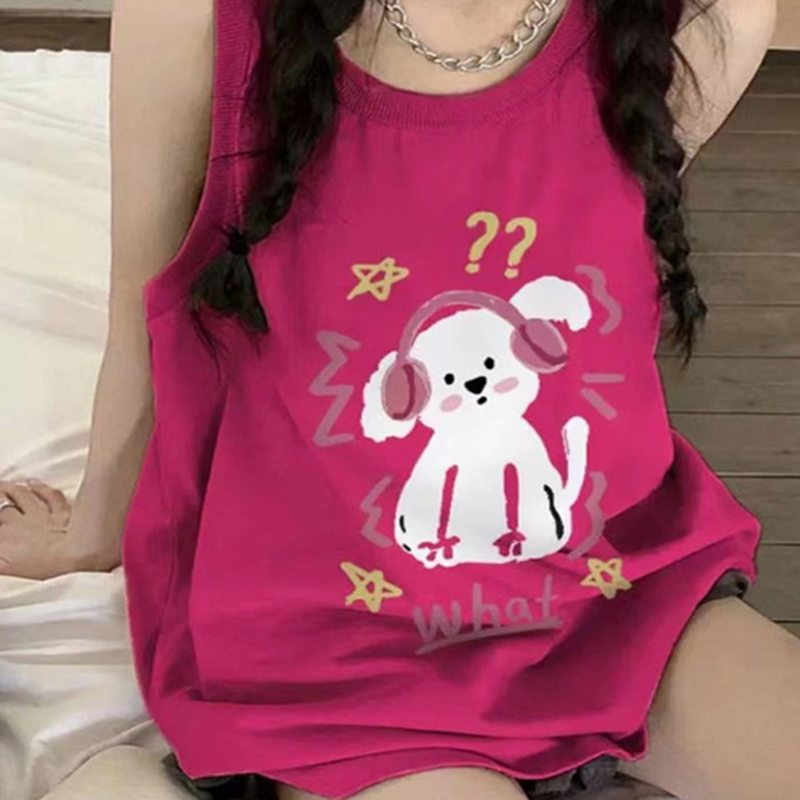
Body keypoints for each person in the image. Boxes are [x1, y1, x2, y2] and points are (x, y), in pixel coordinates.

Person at [2, 1, 798, 799]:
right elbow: (149, 306)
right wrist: (93, 533)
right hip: (341, 643)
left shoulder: (710, 15)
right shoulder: (196, 16)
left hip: (619, 590)